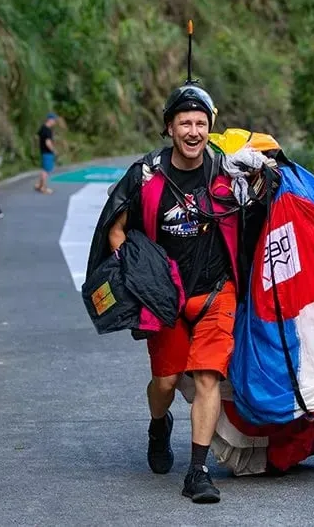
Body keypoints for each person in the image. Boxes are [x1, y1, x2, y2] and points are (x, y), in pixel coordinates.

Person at [99, 81, 237, 504]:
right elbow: (116, 229)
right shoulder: (144, 175)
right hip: (165, 299)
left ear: (210, 128)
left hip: (217, 291)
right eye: (184, 123)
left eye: (200, 123)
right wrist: (137, 274)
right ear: (169, 128)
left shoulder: (227, 171)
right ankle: (159, 424)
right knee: (166, 380)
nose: (193, 131)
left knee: (207, 376)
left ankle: (197, 472)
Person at [34, 112, 58, 194]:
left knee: (44, 169)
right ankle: (43, 188)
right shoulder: (48, 130)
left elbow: (37, 138)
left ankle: (40, 186)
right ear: (50, 120)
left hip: (43, 151)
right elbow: (48, 143)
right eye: (54, 120)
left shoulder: (42, 128)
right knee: (46, 171)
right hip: (47, 152)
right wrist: (53, 150)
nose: (55, 122)